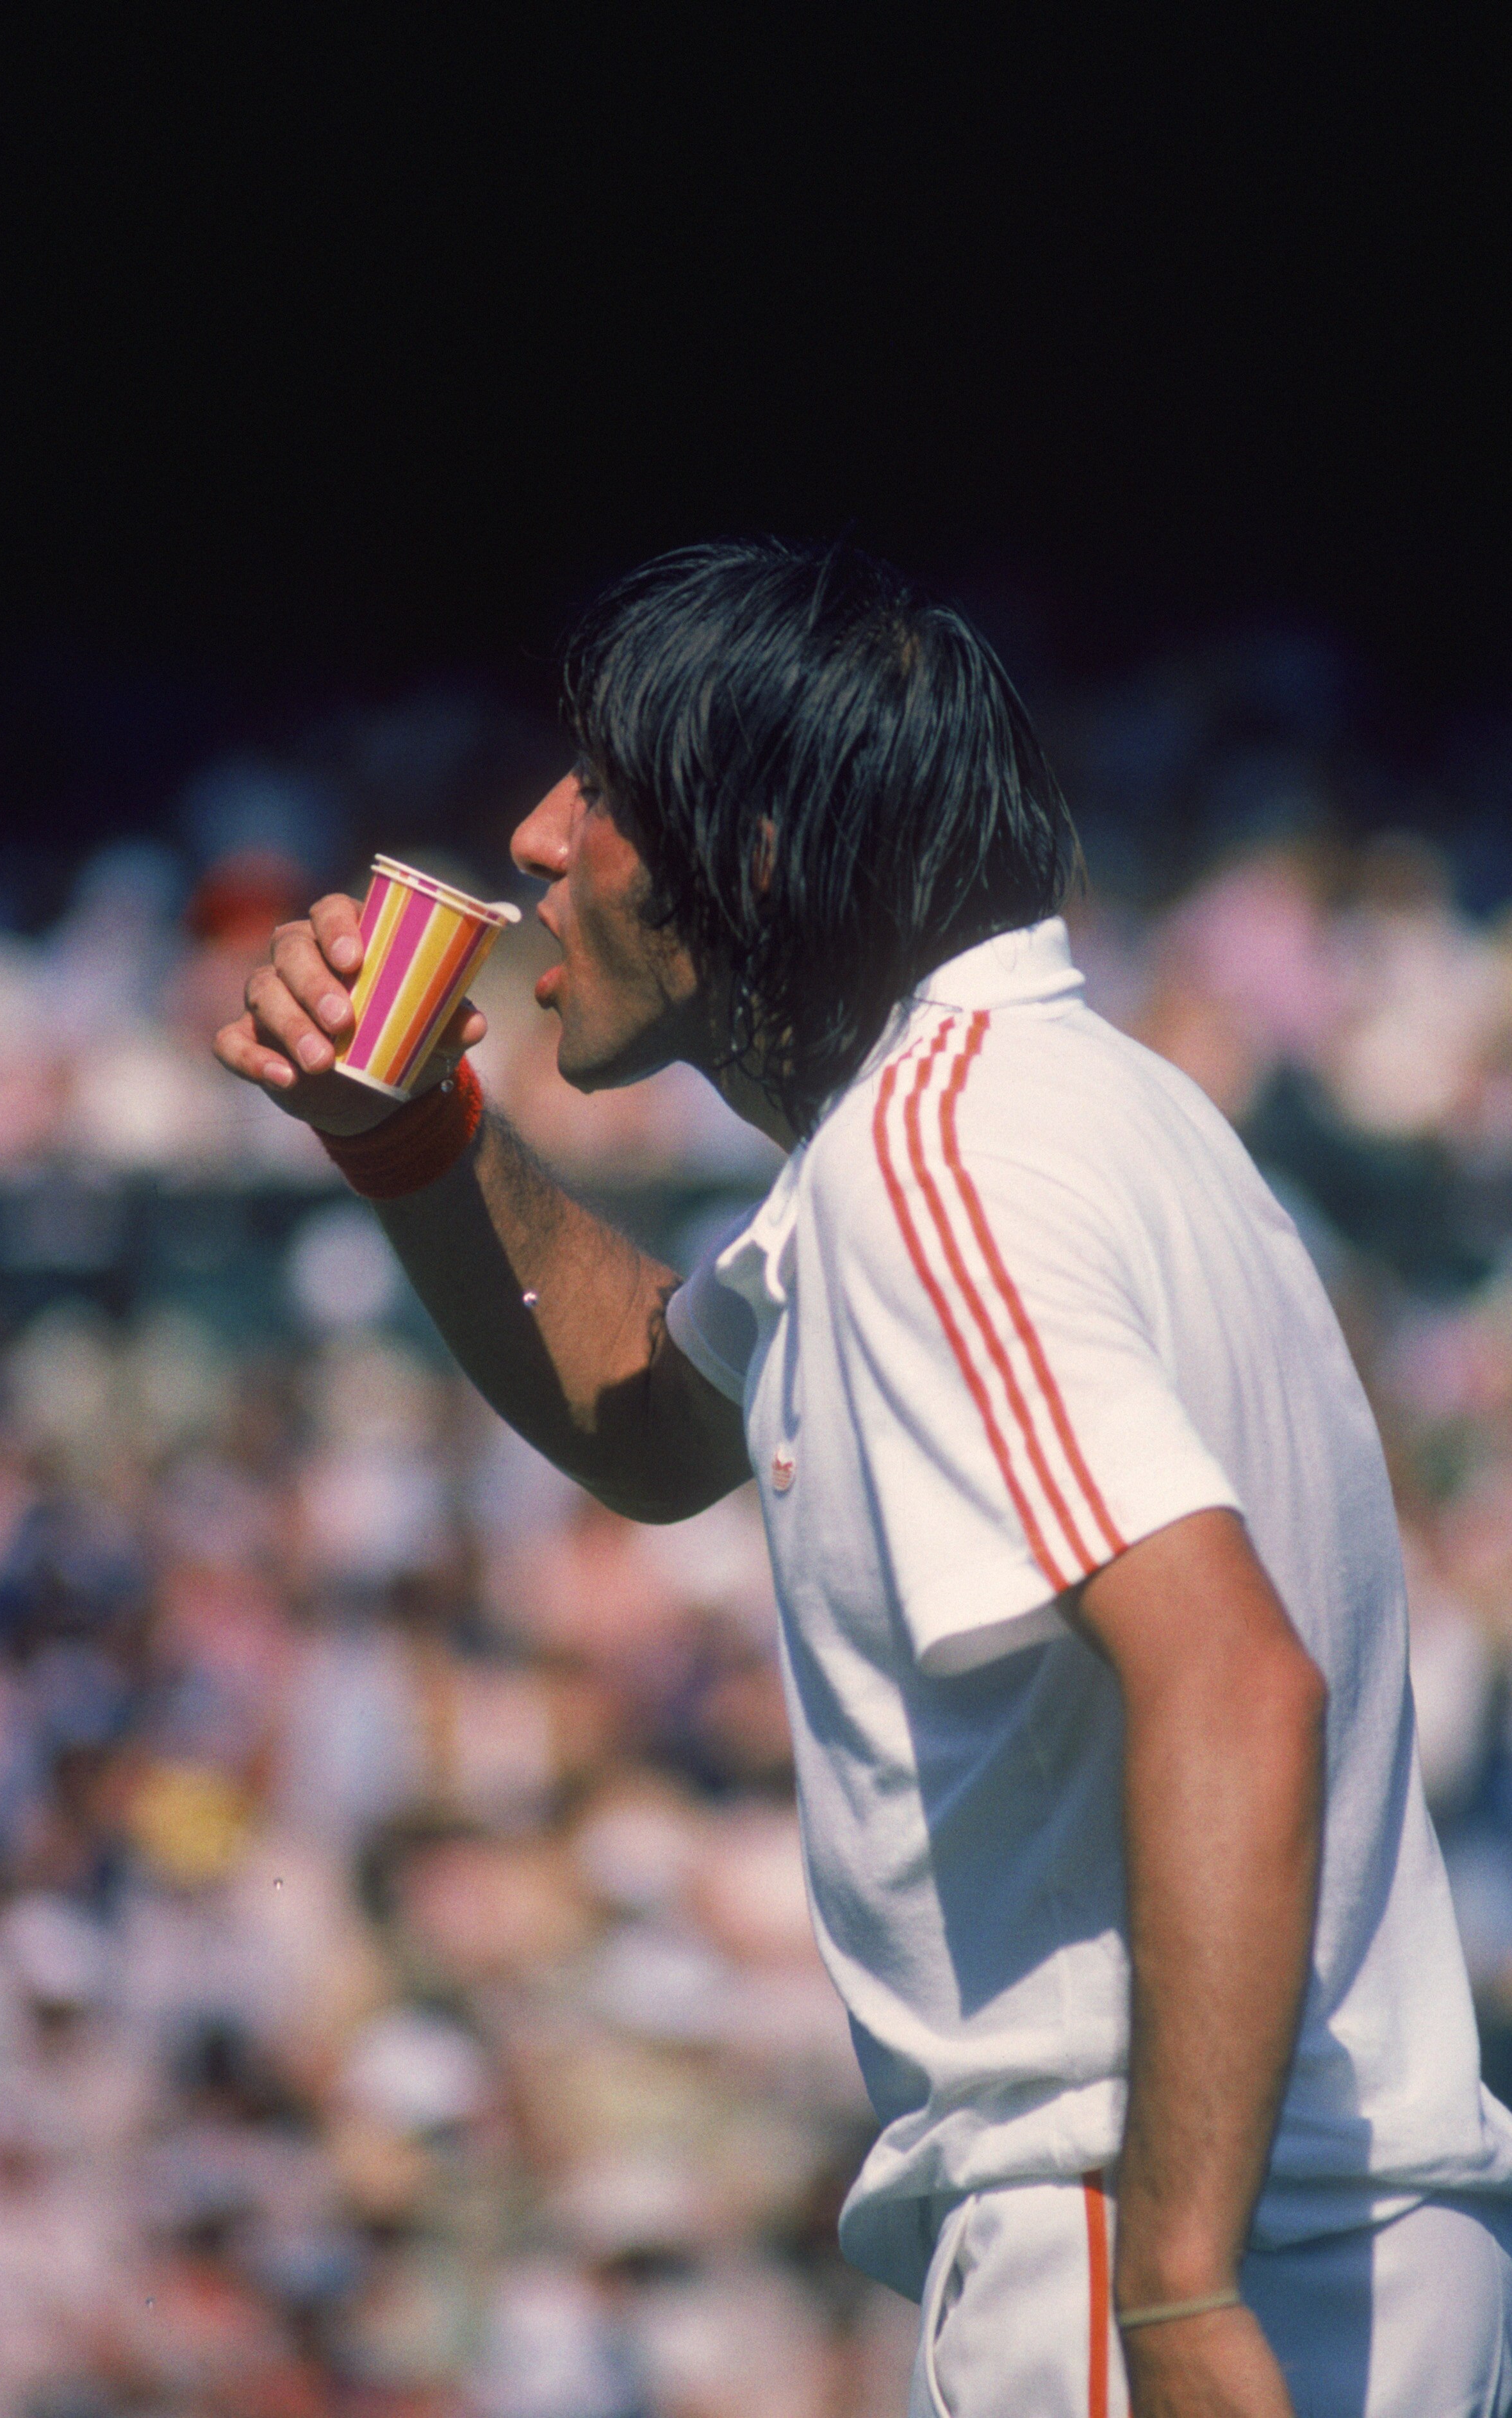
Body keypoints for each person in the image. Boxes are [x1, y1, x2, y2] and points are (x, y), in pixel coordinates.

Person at [216, 541, 1512, 2417]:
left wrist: (1173, 2294)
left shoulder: (933, 1167)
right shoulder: (1076, 1104)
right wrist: (416, 1137)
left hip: (1157, 2243)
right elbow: (658, 1420)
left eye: (597, 788)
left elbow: (1233, 1677)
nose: (531, 833)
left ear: (744, 857)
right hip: (1346, 2242)